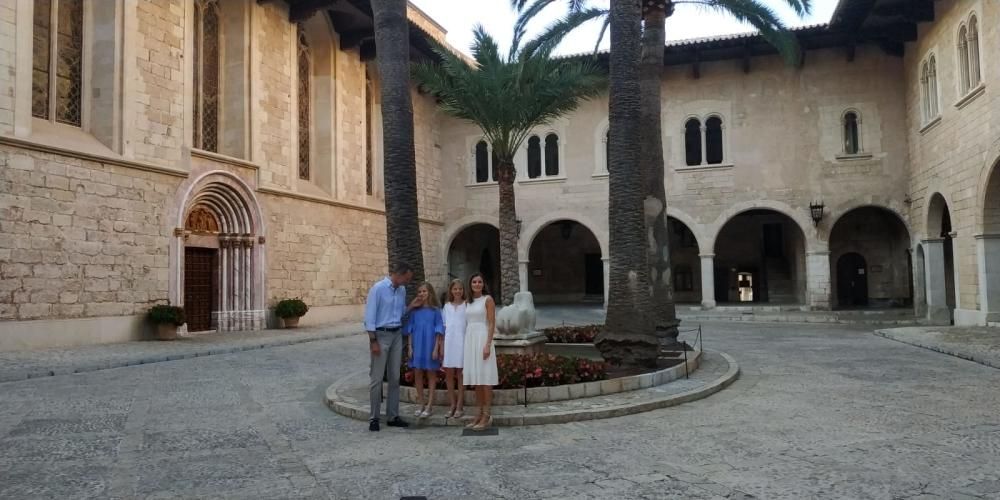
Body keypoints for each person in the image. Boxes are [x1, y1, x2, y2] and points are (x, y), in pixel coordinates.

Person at [364, 261, 413, 432]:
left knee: (395, 377)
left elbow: (400, 313)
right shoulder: (378, 289)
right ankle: (374, 418)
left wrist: (412, 306)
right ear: (399, 274)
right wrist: (373, 341)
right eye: (406, 278)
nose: (407, 282)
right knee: (377, 379)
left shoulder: (402, 290)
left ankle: (393, 416)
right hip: (381, 335)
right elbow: (369, 316)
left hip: (396, 334)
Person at [462, 273, 498, 430]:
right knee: (476, 380)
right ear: (470, 284)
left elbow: (491, 323)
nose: (477, 284)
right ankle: (478, 413)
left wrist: (488, 344)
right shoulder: (467, 302)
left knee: (485, 379)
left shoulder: (488, 300)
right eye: (474, 282)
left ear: (483, 284)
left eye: (479, 282)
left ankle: (487, 414)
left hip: (482, 338)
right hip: (470, 340)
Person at [405, 282, 444, 418]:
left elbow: (439, 329)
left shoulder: (435, 310)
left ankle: (429, 405)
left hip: (430, 344)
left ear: (430, 293)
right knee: (418, 374)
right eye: (419, 292)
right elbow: (410, 329)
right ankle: (421, 404)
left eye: (424, 291)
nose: (422, 294)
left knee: (431, 374)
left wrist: (436, 348)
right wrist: (410, 347)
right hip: (417, 345)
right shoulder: (415, 311)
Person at [441, 279, 468, 419]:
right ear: (451, 290)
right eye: (455, 289)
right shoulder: (446, 307)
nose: (457, 291)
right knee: (449, 374)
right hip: (449, 343)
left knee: (461, 374)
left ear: (463, 290)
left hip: (462, 342)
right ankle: (452, 404)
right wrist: (441, 347)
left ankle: (460, 405)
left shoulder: (467, 305)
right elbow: (444, 327)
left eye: (460, 289)